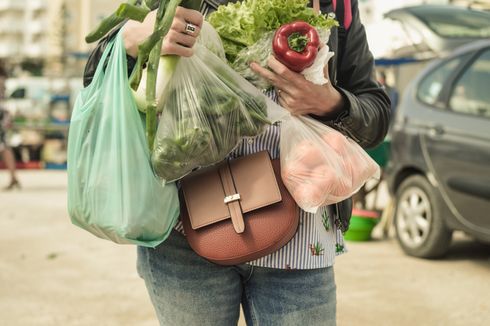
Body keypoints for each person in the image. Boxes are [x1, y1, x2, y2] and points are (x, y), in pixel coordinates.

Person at [83, 1, 390, 325]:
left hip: (300, 238)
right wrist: (132, 39)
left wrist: (331, 103)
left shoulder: (332, 3)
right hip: (184, 231)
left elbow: (376, 111)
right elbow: (94, 78)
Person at [0, 65, 20, 191]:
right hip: (3, 114)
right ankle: (13, 178)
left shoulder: (1, 80)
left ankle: (13, 178)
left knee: (4, 147)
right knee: (5, 147)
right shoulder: (2, 80)